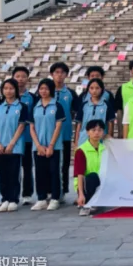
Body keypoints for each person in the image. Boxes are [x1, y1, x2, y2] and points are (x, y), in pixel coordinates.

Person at [0, 78, 30, 212]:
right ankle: (4, 199)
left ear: (16, 90)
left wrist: (12, 144)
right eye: (5, 88)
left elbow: (21, 126)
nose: (8, 91)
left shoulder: (22, 106)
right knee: (2, 174)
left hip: (15, 146)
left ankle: (13, 199)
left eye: (11, 88)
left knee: (14, 173)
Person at [30, 78, 66, 211]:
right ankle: (41, 198)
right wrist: (38, 145)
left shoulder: (57, 106)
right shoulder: (35, 106)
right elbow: (32, 127)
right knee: (40, 172)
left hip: (54, 146)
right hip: (38, 146)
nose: (43, 91)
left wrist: (51, 145)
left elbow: (58, 126)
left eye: (46, 88)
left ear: (51, 90)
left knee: (54, 171)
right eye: (41, 88)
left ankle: (55, 198)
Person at [49, 62, 78, 202]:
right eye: (56, 72)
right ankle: (50, 190)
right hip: (49, 134)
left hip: (65, 134)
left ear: (66, 75)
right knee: (50, 165)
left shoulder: (71, 93)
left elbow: (76, 112)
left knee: (65, 164)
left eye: (62, 72)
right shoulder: (45, 91)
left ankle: (63, 190)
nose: (59, 75)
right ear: (51, 74)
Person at [12, 66, 38, 205]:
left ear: (28, 78)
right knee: (13, 168)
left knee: (27, 167)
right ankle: (12, 194)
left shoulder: (33, 98)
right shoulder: (8, 97)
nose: (20, 79)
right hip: (12, 138)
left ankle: (27, 194)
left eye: (23, 76)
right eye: (17, 76)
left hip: (27, 137)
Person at [74, 119, 105, 217]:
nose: (96, 133)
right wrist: (81, 194)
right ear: (87, 132)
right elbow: (79, 174)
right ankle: (86, 203)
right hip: (86, 184)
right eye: (93, 130)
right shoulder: (81, 150)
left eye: (99, 130)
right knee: (93, 176)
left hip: (101, 183)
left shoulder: (105, 149)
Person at [74, 78, 115, 146]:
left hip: (101, 138)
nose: (94, 91)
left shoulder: (106, 104)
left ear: (102, 89)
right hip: (84, 138)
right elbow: (79, 124)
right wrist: (76, 141)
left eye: (97, 88)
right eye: (91, 88)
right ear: (88, 89)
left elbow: (110, 122)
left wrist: (109, 137)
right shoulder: (84, 105)